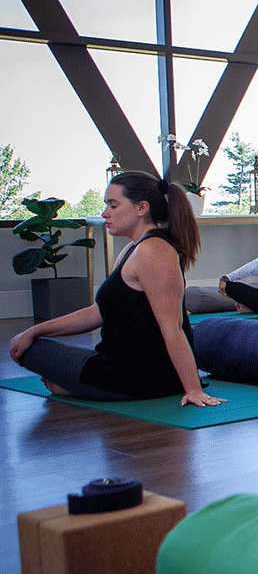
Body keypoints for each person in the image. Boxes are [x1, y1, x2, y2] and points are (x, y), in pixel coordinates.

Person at [8, 171, 224, 406]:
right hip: (124, 366)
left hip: (135, 377)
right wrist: (33, 331)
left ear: (142, 208)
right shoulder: (133, 249)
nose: (105, 213)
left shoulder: (154, 251)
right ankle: (79, 386)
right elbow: (98, 312)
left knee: (32, 351)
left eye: (113, 205)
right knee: (27, 342)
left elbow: (173, 327)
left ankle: (83, 387)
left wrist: (193, 389)